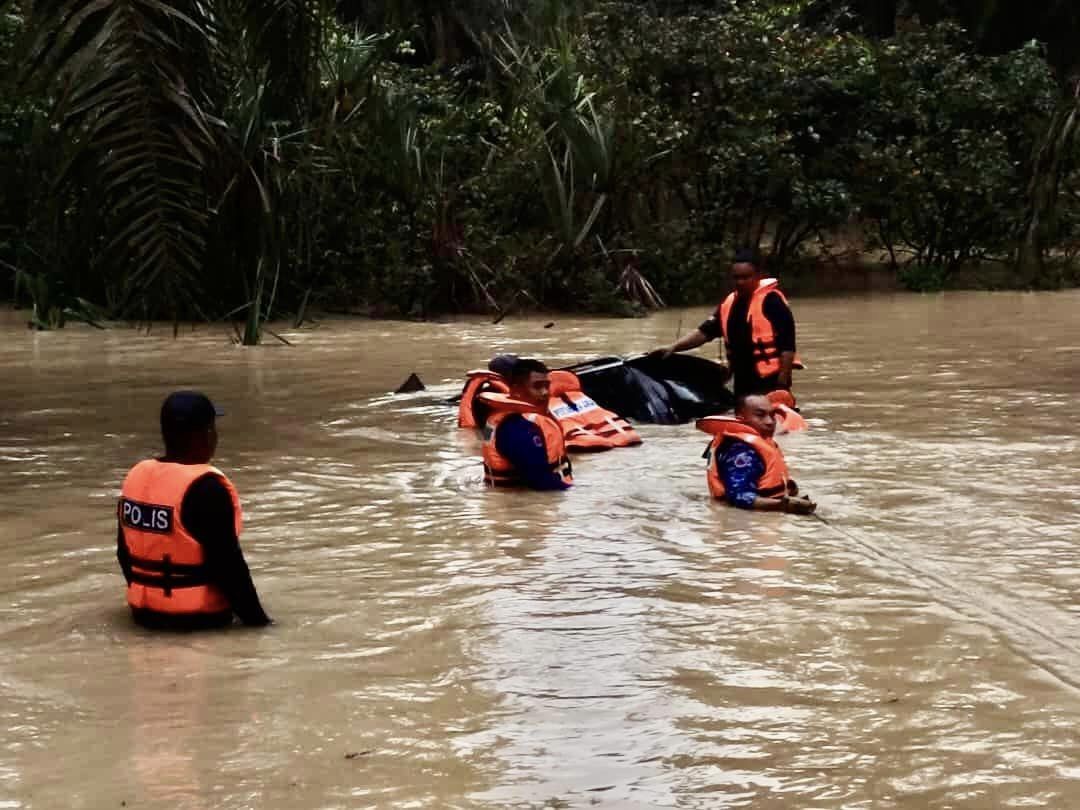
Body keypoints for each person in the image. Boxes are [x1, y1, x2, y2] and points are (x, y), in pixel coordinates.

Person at [116, 391, 272, 629]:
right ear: (206, 435)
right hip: (200, 624)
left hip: (143, 617)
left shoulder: (136, 478)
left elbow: (124, 554)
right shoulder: (207, 489)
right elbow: (230, 569)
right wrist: (262, 626)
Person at [655, 248, 800, 397]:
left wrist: (782, 384)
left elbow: (788, 347)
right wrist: (672, 347)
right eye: (736, 278)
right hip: (742, 379)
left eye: (746, 277)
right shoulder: (729, 304)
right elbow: (704, 333)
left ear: (758, 276)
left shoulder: (772, 302)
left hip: (770, 381)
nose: (740, 282)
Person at [697, 394, 816, 514]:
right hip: (744, 521)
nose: (770, 422)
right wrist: (783, 506)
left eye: (772, 415)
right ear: (741, 417)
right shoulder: (741, 451)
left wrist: (789, 490)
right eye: (760, 415)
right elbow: (739, 497)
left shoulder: (759, 441)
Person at [479, 359, 573, 490]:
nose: (545, 392)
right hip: (520, 504)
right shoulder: (516, 428)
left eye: (547, 385)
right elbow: (542, 483)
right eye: (537, 386)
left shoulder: (510, 419)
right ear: (516, 389)